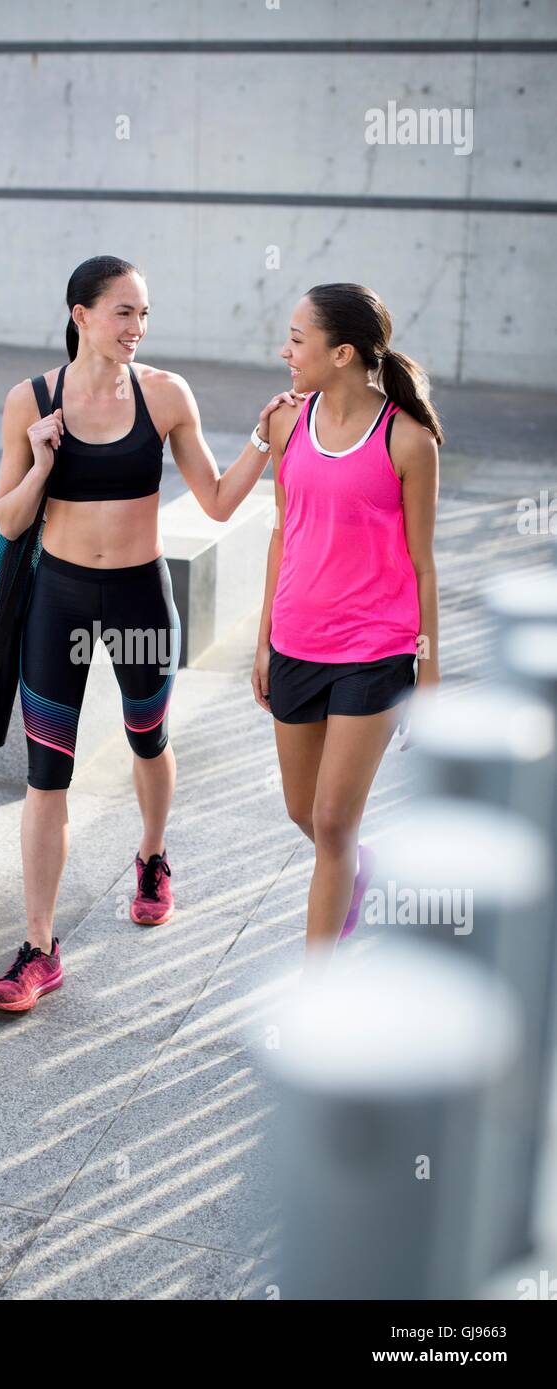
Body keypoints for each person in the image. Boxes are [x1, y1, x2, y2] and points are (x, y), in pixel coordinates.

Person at [0, 254, 303, 1010]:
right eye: (123, 311)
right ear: (81, 315)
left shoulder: (164, 395)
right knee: (46, 775)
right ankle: (38, 947)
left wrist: (261, 438)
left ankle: (153, 856)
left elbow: (219, 502)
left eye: (145, 314)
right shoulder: (29, 401)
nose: (137, 327)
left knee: (147, 739)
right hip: (56, 602)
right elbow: (6, 518)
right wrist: (39, 461)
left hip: (137, 600)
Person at [251, 282, 442, 976]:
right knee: (304, 812)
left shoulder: (408, 440)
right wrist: (264, 639)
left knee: (332, 822)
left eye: (297, 338)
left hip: (376, 652)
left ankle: (317, 993)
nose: (285, 349)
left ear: (342, 352)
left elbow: (422, 564)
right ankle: (360, 873)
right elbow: (282, 533)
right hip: (296, 643)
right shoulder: (284, 426)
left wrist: (431, 671)